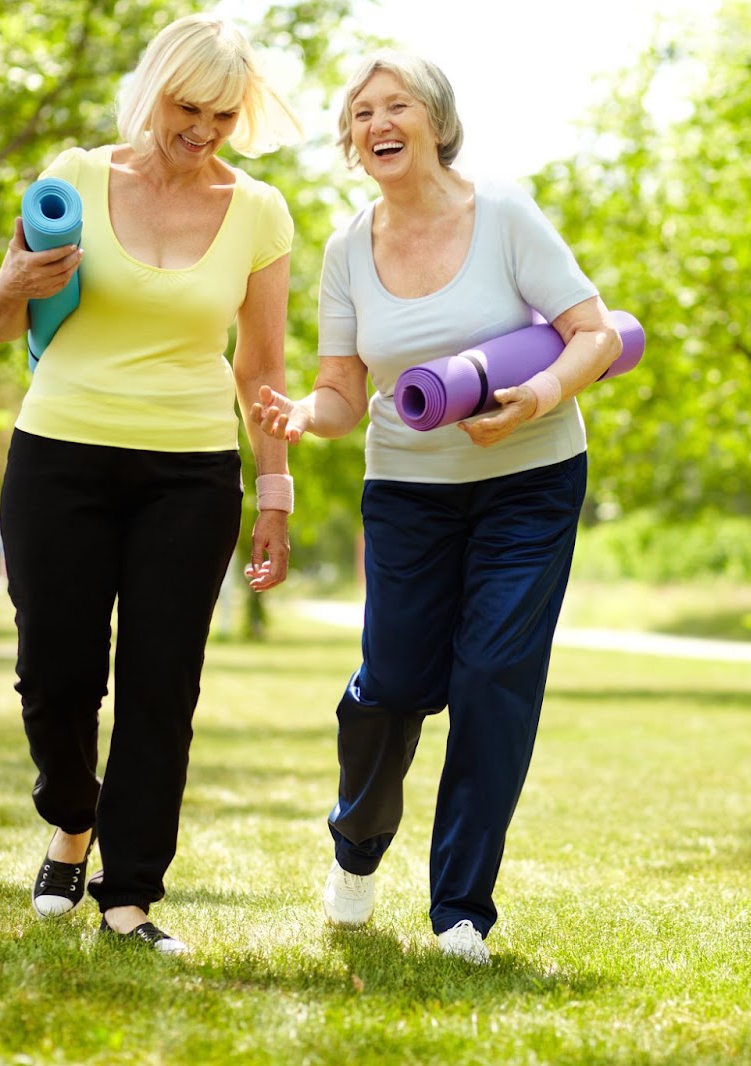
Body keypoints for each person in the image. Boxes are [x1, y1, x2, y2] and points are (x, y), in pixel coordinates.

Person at [252, 51, 624, 965]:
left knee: (493, 678)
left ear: (435, 121)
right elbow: (342, 391)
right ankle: (356, 848)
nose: (376, 122)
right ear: (353, 141)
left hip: (532, 480)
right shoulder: (348, 248)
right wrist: (304, 415)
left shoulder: (501, 215)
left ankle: (461, 909)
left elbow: (597, 334)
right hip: (410, 490)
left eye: (397, 105)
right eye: (360, 113)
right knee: (393, 686)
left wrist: (532, 401)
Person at [0, 14, 303, 955]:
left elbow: (263, 370)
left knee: (162, 684)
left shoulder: (259, 210)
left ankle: (128, 893)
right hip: (60, 455)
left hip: (191, 472)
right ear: (155, 87)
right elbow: (5, 322)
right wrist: (11, 278)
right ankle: (71, 820)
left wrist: (276, 495)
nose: (202, 128)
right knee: (54, 672)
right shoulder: (75, 176)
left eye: (223, 113)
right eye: (188, 106)